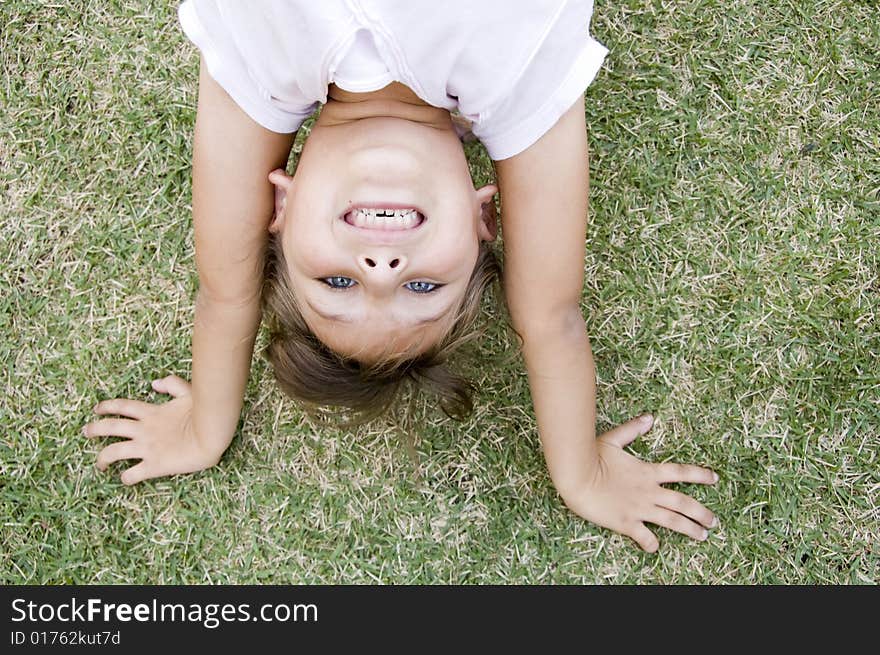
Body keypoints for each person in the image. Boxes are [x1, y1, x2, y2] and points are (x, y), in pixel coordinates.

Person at [84, 0, 719, 552]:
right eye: (422, 289)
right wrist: (583, 477)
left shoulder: (262, 62)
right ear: (483, 219)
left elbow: (227, 289)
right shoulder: (518, 75)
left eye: (336, 285)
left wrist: (206, 429)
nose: (381, 270)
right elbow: (549, 316)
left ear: (280, 206)